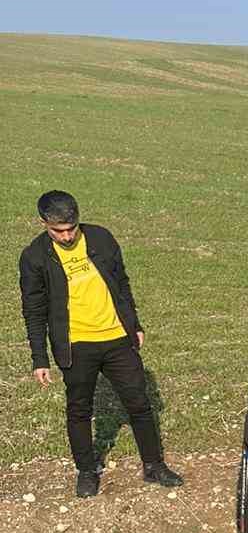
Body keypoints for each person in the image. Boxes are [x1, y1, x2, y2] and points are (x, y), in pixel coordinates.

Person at [18, 190, 184, 498]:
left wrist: (133, 324)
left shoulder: (101, 239)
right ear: (42, 223)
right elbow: (33, 310)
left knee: (139, 402)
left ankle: (153, 465)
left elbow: (122, 283)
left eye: (72, 228)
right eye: (59, 231)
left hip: (117, 338)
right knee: (79, 409)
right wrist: (39, 358)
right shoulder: (34, 257)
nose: (67, 236)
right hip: (76, 345)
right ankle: (86, 471)